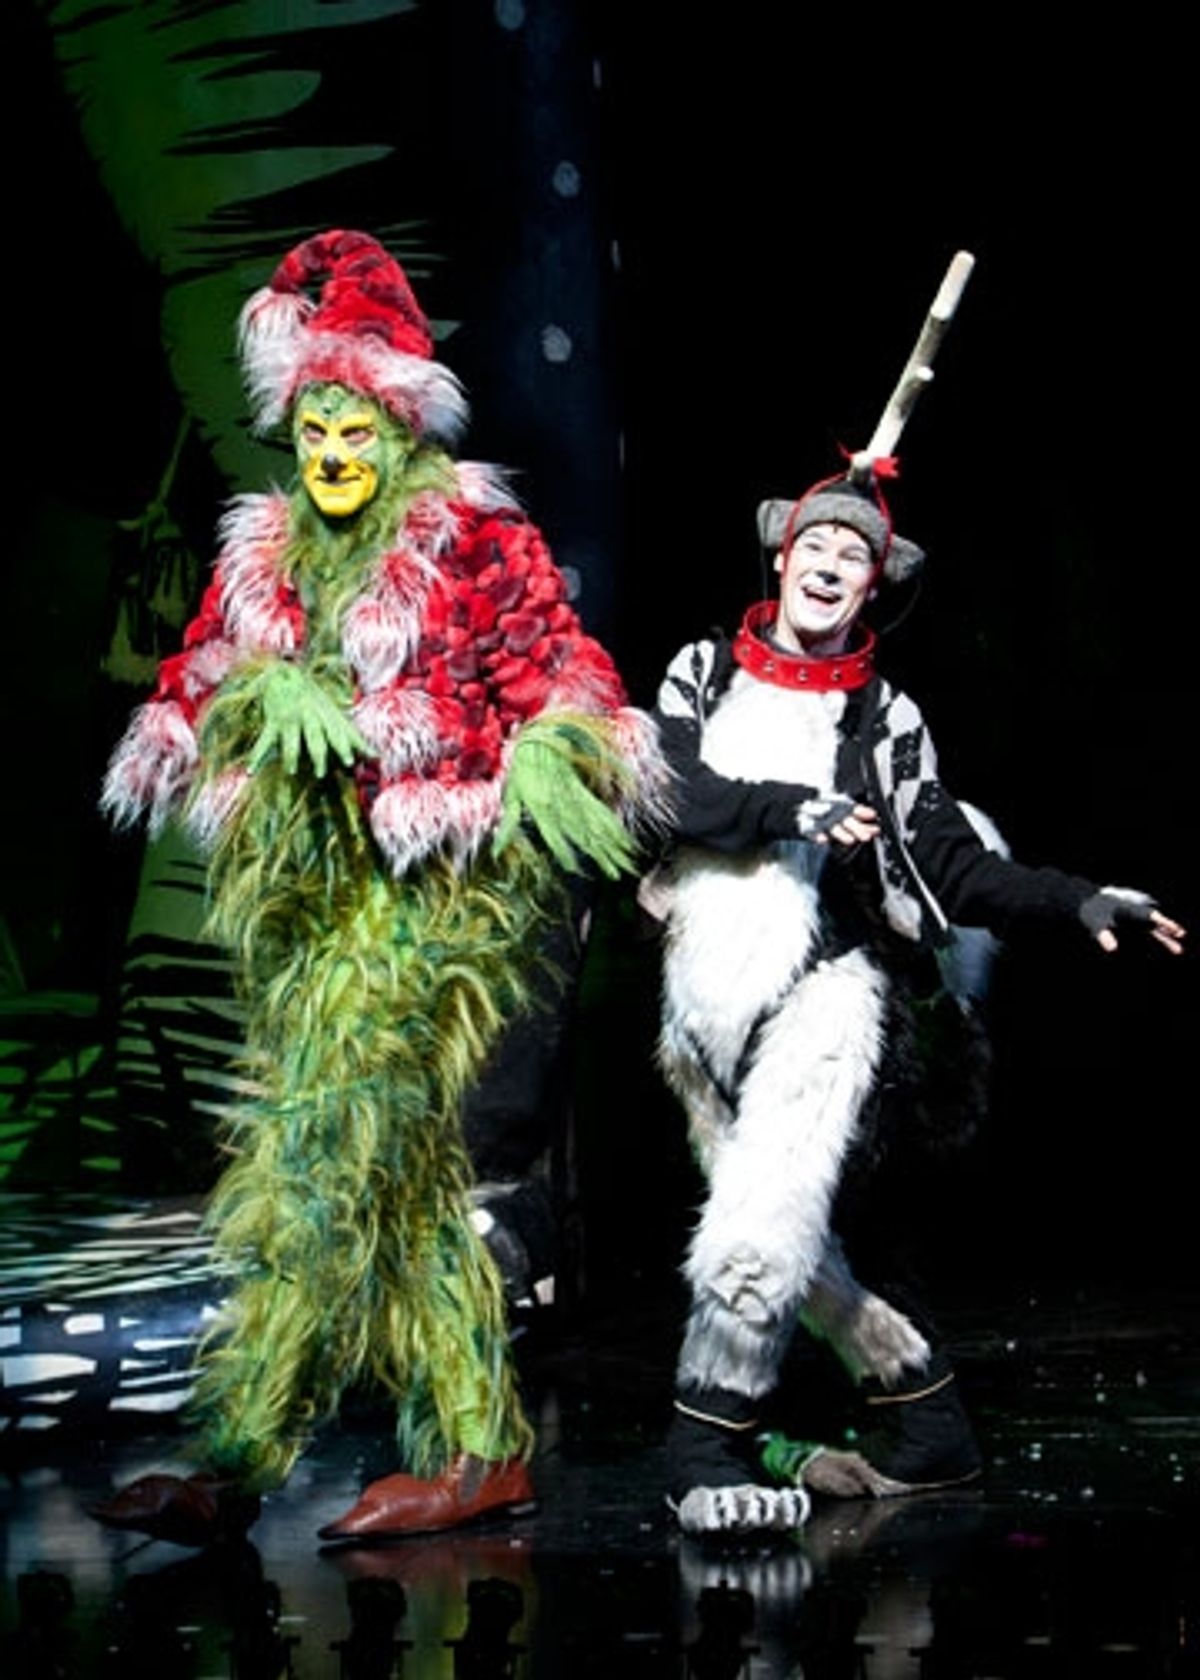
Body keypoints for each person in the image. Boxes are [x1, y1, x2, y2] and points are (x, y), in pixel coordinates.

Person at [91, 228, 662, 1545]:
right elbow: (198, 674)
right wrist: (244, 701)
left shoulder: (469, 537)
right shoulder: (265, 555)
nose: (335, 456)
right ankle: (465, 1448)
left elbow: (560, 671)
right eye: (315, 432)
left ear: (399, 428)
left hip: (433, 904)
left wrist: (557, 754)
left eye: (356, 431)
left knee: (323, 1162)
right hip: (307, 905)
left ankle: (255, 1454)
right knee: (378, 1183)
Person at [643, 464, 1185, 1536]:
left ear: (874, 586)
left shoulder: (885, 717)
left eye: (854, 557)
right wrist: (790, 808)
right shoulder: (701, 673)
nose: (830, 566)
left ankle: (699, 1449)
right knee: (809, 1242)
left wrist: (1073, 899)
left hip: (827, 998)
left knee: (763, 1222)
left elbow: (949, 859)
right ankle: (930, 1425)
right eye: (816, 546)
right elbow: (673, 794)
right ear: (782, 558)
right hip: (701, 1008)